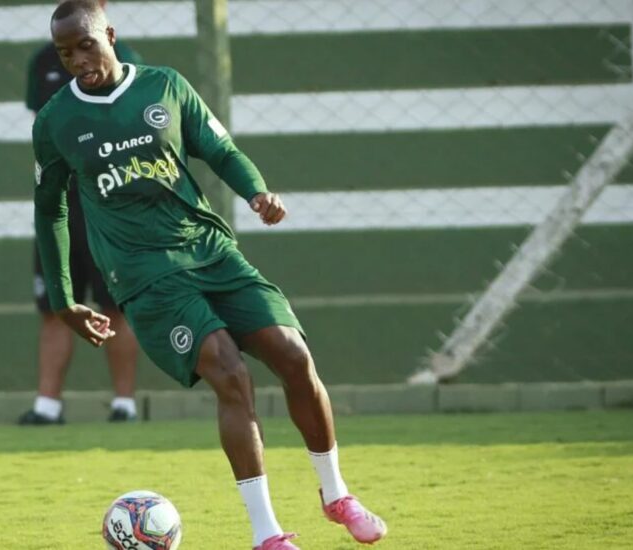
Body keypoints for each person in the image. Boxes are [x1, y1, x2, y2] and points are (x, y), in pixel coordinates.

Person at [33, 1, 388, 548]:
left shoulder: (164, 87)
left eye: (86, 45)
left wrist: (257, 191)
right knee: (228, 370)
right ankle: (267, 534)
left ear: (110, 34)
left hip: (211, 251)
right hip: (145, 276)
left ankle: (335, 493)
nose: (78, 60)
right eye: (65, 53)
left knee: (293, 355)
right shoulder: (56, 120)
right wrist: (63, 299)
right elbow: (51, 209)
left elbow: (220, 150)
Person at [18, 0, 143, 425]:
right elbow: (45, 133)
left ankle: (124, 405)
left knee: (117, 305)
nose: (77, 60)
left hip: (111, 204)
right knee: (56, 304)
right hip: (62, 204)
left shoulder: (127, 58)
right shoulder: (44, 62)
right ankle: (47, 407)